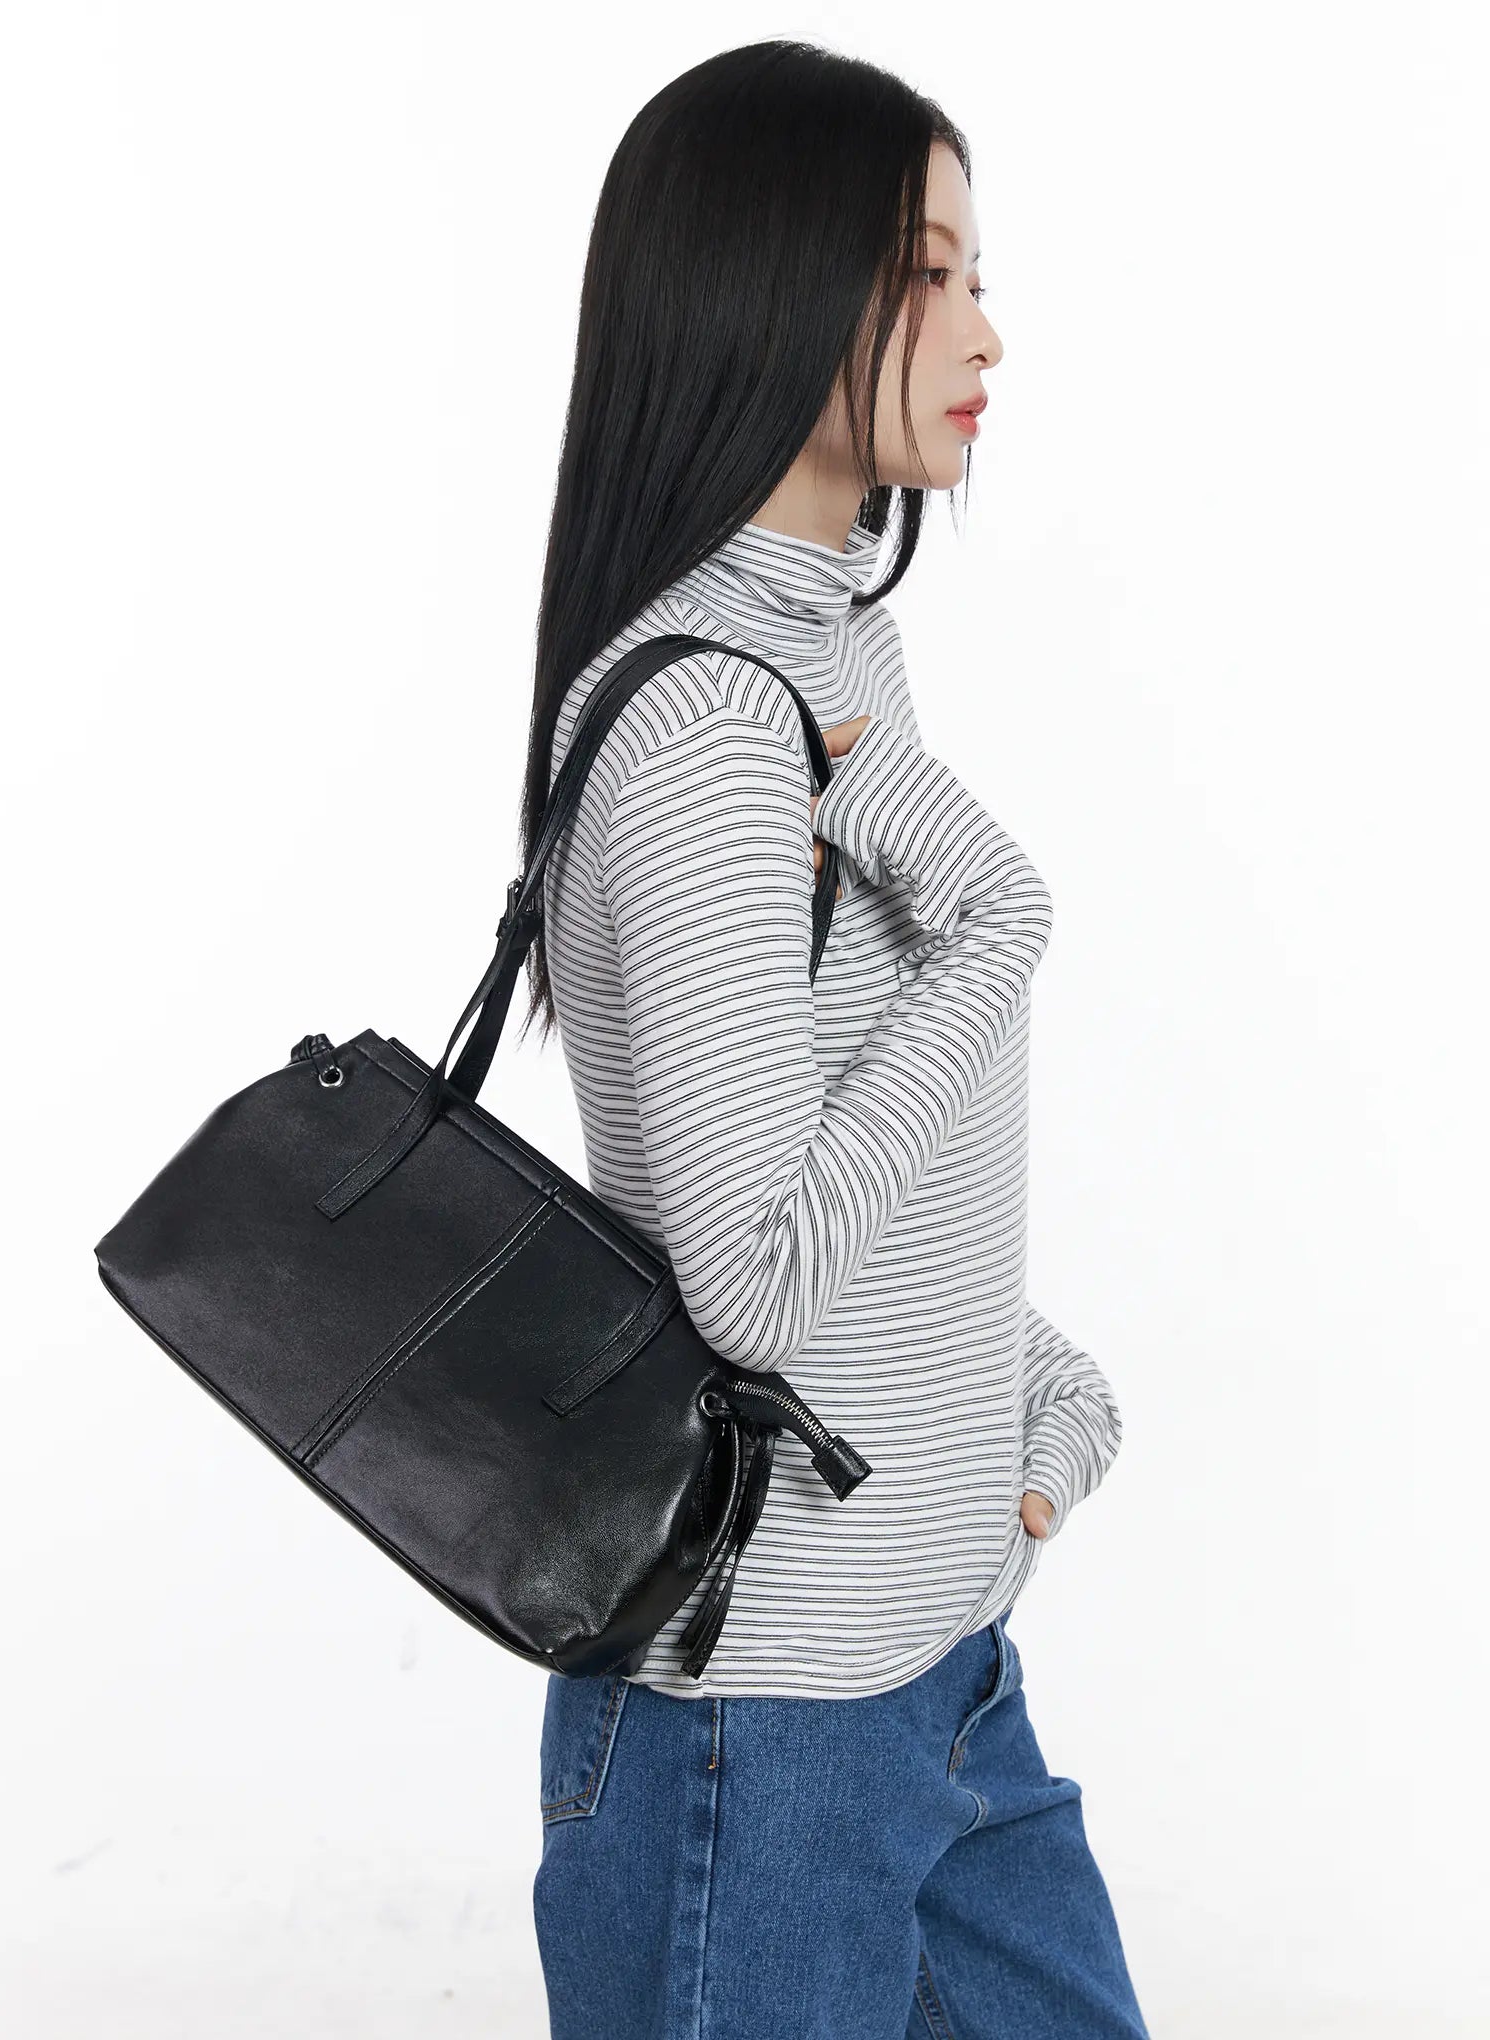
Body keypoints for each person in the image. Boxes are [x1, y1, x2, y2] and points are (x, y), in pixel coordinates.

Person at [515, 39, 1149, 2039]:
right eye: (924, 273)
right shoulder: (713, 724)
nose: (984, 329)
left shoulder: (836, 644)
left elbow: (849, 1158)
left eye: (974, 271)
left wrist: (1010, 1394)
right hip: (759, 1741)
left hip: (932, 1676)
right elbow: (758, 1281)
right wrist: (1000, 918)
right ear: (768, 286)